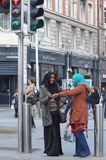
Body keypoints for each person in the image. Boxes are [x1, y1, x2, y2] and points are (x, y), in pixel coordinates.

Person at [52, 73, 91, 158]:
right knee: (76, 132)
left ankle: (86, 151)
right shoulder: (80, 87)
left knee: (78, 132)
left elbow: (70, 92)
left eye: (73, 80)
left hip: (79, 113)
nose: (72, 81)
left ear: (77, 79)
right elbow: (71, 100)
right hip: (76, 112)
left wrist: (59, 94)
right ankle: (79, 152)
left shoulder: (81, 87)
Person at [40, 71, 63, 156]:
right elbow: (41, 100)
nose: (52, 79)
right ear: (47, 78)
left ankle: (57, 150)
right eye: (51, 77)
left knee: (56, 132)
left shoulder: (57, 86)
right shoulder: (42, 88)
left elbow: (63, 95)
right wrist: (48, 97)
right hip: (47, 113)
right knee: (48, 132)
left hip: (55, 112)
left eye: (53, 77)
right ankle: (48, 150)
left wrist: (62, 102)